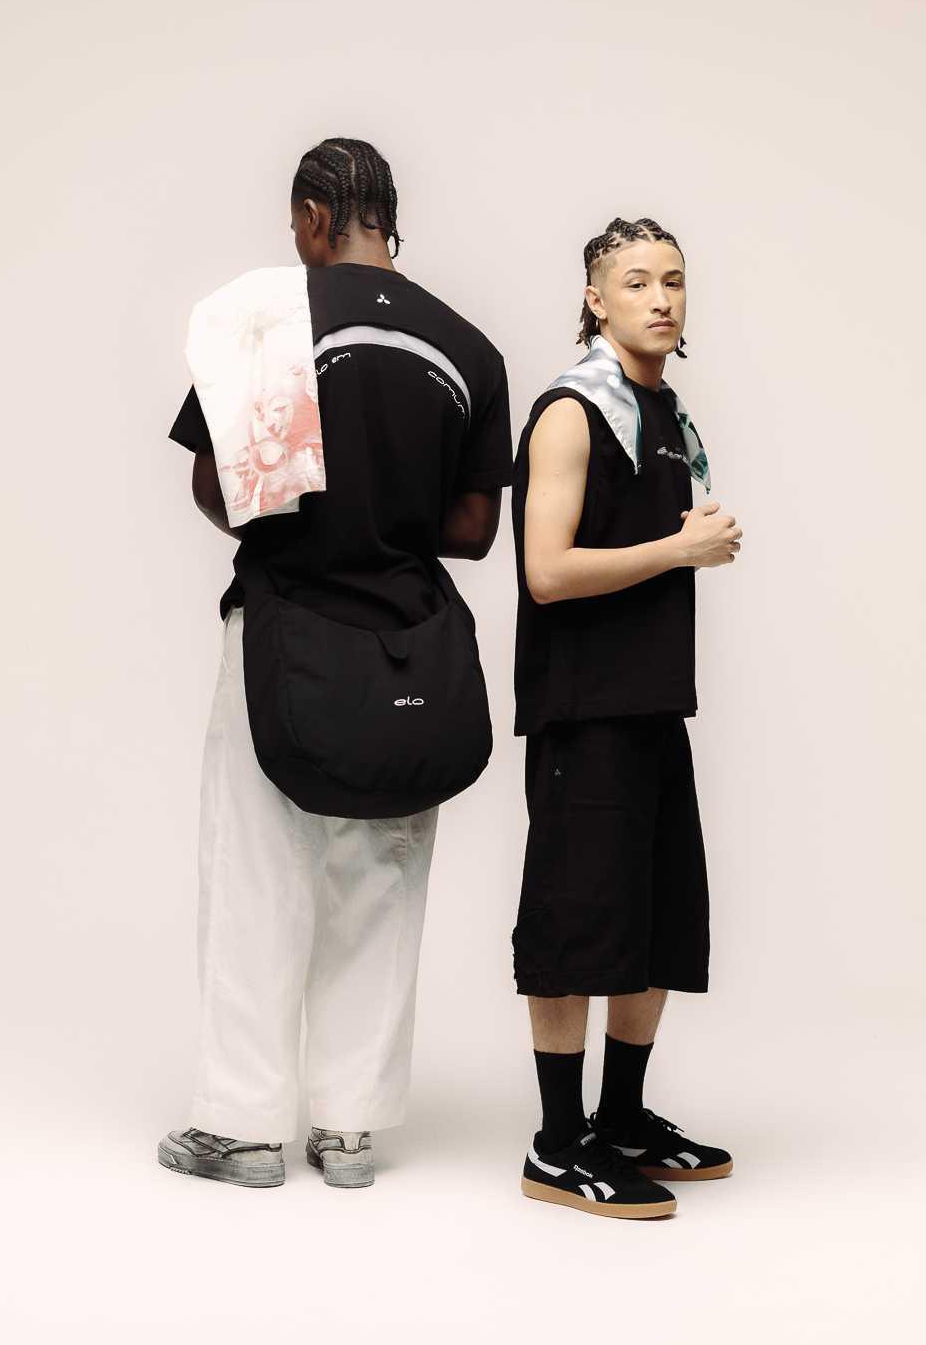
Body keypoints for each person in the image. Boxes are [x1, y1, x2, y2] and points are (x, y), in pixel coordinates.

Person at [158, 137, 512, 1190]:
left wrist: (312, 498)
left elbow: (216, 490)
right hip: (407, 643)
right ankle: (350, 1133)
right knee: (381, 877)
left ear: (315, 218)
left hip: (285, 624)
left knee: (258, 873)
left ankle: (241, 1130)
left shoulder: (267, 323)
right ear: (385, 218)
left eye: (296, 226)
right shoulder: (469, 347)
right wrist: (389, 510)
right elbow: (474, 529)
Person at [510, 217, 742, 1219]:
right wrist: (678, 551)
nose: (661, 298)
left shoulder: (662, 412)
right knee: (575, 922)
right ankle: (558, 1145)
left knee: (654, 914)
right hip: (582, 709)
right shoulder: (573, 411)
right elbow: (546, 570)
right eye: (637, 281)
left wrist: (679, 542)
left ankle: (622, 1118)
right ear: (594, 299)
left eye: (674, 280)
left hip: (650, 702)